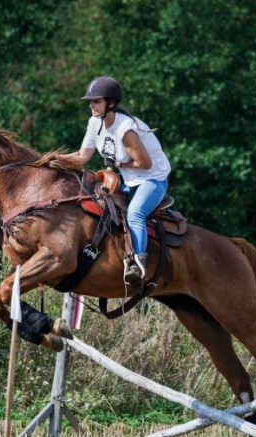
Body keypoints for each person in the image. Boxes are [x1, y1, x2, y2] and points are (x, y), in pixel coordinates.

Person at [62, 76, 171, 283]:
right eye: (91, 102)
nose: (92, 105)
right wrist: (51, 159)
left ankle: (138, 264)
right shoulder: (95, 123)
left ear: (110, 103)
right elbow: (82, 157)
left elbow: (145, 164)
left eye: (96, 101)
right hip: (130, 178)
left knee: (135, 214)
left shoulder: (125, 130)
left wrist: (118, 165)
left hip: (152, 179)